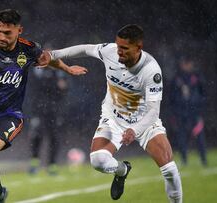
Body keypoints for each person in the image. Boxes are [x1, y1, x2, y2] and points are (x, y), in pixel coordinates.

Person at [0, 9, 87, 203]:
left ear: (19, 30)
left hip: (10, 115)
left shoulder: (28, 49)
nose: (1, 37)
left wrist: (67, 68)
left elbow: (47, 59)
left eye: (7, 33)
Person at [42, 24, 183, 202]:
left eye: (124, 48)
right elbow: (86, 49)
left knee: (169, 170)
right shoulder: (110, 51)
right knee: (98, 160)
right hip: (114, 119)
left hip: (144, 121)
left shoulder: (151, 70)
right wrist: (54, 54)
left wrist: (135, 130)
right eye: (118, 46)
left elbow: (154, 111)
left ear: (138, 47)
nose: (119, 52)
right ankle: (122, 170)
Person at [27, 68, 68, 175]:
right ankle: (34, 163)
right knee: (36, 135)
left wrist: (60, 83)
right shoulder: (36, 70)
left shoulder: (58, 72)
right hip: (39, 110)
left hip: (54, 111)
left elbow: (64, 89)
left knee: (54, 137)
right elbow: (32, 88)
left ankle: (52, 165)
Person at [169, 57, 207, 166]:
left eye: (188, 63)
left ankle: (203, 159)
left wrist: (200, 109)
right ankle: (184, 159)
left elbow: (203, 94)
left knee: (199, 136)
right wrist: (174, 112)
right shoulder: (177, 78)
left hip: (195, 112)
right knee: (181, 137)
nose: (186, 66)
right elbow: (172, 97)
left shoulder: (197, 77)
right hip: (181, 112)